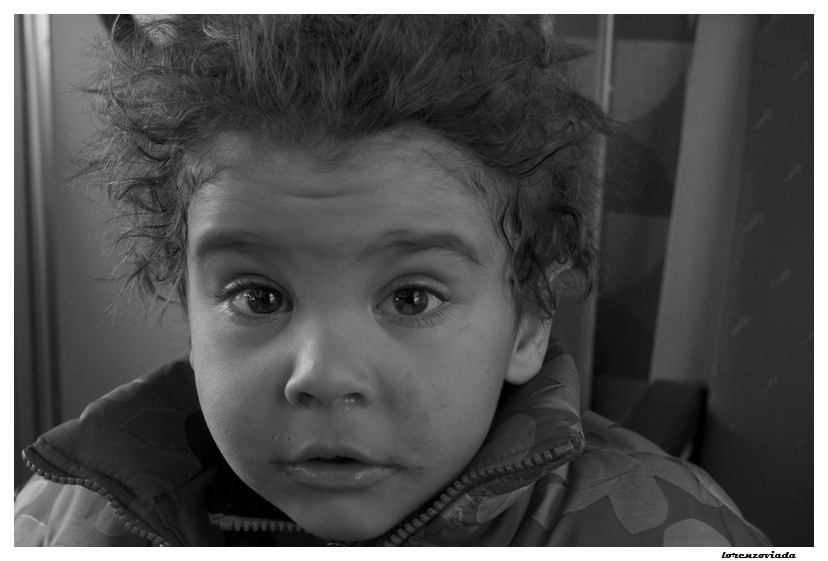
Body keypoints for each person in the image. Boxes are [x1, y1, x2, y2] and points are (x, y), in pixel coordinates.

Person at [14, 15, 770, 547]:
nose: (323, 375)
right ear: (187, 305)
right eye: (258, 297)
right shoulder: (67, 518)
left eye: (412, 298)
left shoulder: (674, 531)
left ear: (530, 320)